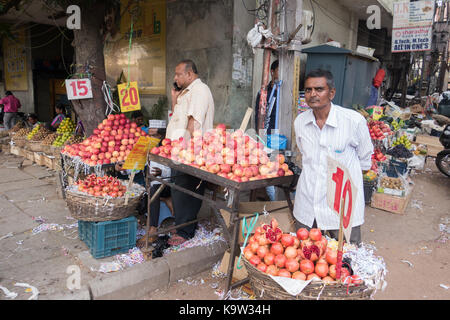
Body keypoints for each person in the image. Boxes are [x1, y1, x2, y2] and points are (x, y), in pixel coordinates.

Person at [293, 69, 374, 245]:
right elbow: (305, 156)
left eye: (319, 89)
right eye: (308, 90)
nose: (312, 94)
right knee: (305, 259)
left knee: (347, 261)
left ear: (332, 93)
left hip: (341, 210)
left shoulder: (353, 122)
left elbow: (365, 161)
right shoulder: (300, 122)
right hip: (307, 206)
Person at [166, 59, 214, 246]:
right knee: (178, 188)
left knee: (186, 190)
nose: (175, 77)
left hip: (189, 152)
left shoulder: (199, 91)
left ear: (190, 73)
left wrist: (185, 151)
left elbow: (194, 122)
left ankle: (186, 232)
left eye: (178, 74)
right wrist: (174, 99)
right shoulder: (187, 93)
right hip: (179, 150)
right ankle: (182, 226)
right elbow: (177, 119)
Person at [255, 60, 280, 201]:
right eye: (278, 70)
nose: (281, 74)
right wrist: (260, 138)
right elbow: (259, 116)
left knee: (278, 171)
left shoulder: (285, 92)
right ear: (272, 72)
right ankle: (274, 202)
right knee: (268, 171)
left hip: (281, 138)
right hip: (266, 137)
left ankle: (277, 202)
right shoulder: (264, 92)